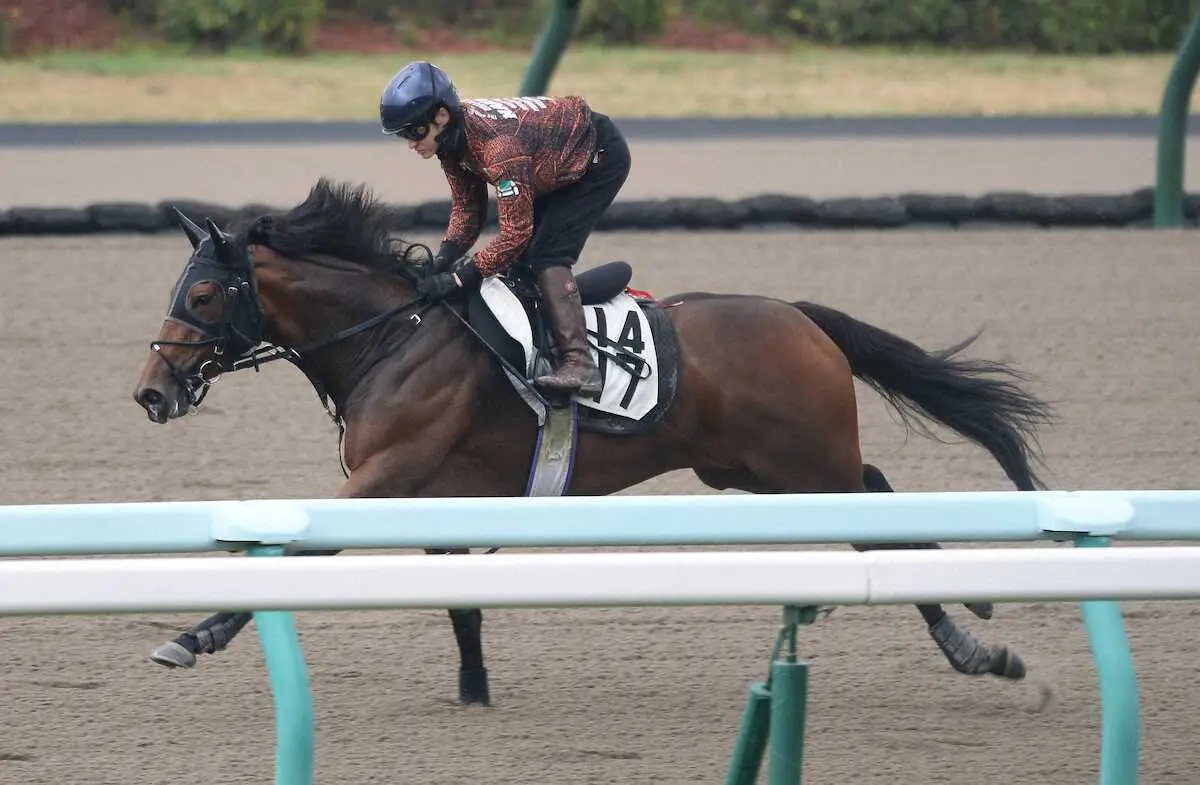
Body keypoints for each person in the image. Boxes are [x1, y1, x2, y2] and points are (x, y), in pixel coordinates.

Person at [378, 59, 632, 397]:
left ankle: (580, 363)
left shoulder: (499, 148)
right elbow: (468, 211)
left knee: (546, 255)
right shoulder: (452, 141)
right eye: (403, 135)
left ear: (440, 116)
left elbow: (515, 235)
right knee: (518, 267)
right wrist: (441, 261)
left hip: (597, 158)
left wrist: (458, 277)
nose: (410, 143)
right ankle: (548, 326)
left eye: (413, 131)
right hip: (546, 159)